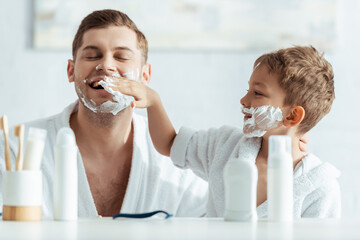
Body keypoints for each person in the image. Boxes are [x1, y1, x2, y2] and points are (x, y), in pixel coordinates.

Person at [0, 9, 208, 218]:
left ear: (145, 75)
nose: (106, 65)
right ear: (71, 71)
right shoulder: (16, 150)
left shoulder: (179, 162)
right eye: (92, 55)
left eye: (121, 56)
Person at [110, 46, 341, 218]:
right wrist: (153, 101)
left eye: (257, 93)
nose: (244, 100)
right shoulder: (224, 146)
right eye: (247, 89)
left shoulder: (320, 189)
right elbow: (169, 144)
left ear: (291, 116)